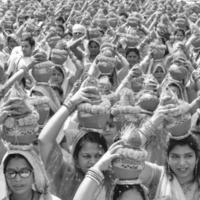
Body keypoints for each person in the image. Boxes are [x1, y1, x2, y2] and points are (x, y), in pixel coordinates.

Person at [38, 85, 108, 200]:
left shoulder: (113, 178)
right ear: (76, 157)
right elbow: (44, 140)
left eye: (98, 156)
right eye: (86, 156)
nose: (93, 162)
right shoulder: (67, 173)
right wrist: (70, 105)